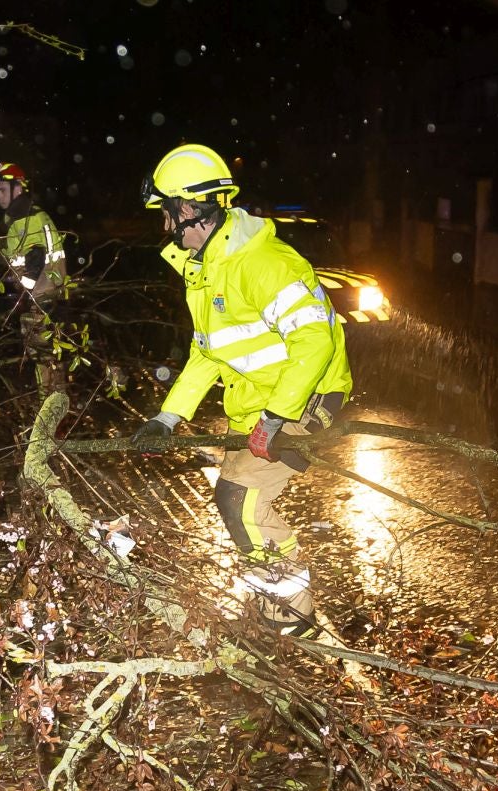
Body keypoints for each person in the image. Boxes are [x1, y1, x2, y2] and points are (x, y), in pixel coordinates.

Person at [132, 143, 352, 639]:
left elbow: (315, 341)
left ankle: (293, 618)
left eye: (167, 214)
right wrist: (167, 419)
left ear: (189, 209)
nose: (165, 227)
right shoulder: (208, 271)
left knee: (241, 501)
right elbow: (208, 354)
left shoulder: (264, 263)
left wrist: (276, 418)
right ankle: (274, 605)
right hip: (260, 400)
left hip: (304, 398)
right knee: (232, 500)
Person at [0, 161, 69, 391]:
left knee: (43, 356)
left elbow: (35, 256)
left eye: (2, 189)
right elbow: (21, 257)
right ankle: (55, 407)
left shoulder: (26, 219)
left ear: (18, 189)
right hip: (47, 295)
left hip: (42, 298)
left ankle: (48, 410)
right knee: (50, 355)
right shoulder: (21, 219)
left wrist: (24, 289)